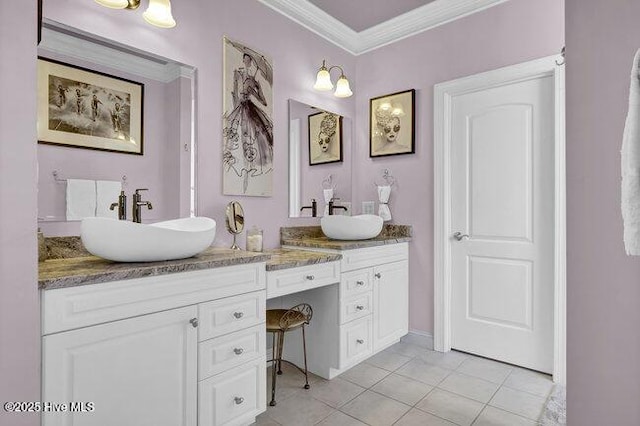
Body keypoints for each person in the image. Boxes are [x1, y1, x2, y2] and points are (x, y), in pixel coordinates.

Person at [223, 52, 273, 191]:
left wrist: (256, 89)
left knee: (255, 139)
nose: (247, 62)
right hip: (240, 109)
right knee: (238, 140)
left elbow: (263, 101)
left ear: (251, 62)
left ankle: (249, 175)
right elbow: (234, 93)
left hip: (251, 109)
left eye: (249, 60)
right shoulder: (237, 74)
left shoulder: (253, 80)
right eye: (245, 59)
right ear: (243, 60)